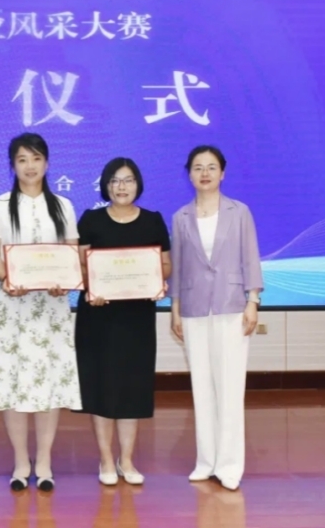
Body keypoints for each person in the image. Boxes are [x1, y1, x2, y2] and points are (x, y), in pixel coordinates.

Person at [0, 132, 81, 493]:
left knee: (48, 383)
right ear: (12, 165)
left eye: (36, 158)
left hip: (50, 308)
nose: (30, 166)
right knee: (14, 383)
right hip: (12, 306)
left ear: (47, 163)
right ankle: (21, 461)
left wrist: (64, 282)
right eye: (22, 159)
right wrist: (9, 278)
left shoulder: (63, 206)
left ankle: (45, 461)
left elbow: (72, 255)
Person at [170, 145, 263, 491]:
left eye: (211, 167)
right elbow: (178, 267)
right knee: (202, 386)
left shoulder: (239, 212)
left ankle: (229, 465)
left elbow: (250, 258)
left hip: (231, 305)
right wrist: (175, 309)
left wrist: (253, 301)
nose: (205, 173)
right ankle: (206, 461)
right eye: (198, 167)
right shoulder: (180, 217)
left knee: (230, 387)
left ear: (222, 173)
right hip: (194, 308)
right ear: (189, 174)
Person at [74, 157, 171, 486]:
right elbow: (81, 266)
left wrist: (156, 281)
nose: (121, 186)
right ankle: (105, 459)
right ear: (106, 185)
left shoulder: (153, 221)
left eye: (128, 180)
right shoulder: (91, 219)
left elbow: (166, 265)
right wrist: (93, 287)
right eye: (115, 180)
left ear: (138, 184)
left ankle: (126, 460)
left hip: (136, 318)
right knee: (102, 387)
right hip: (98, 317)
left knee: (132, 387)